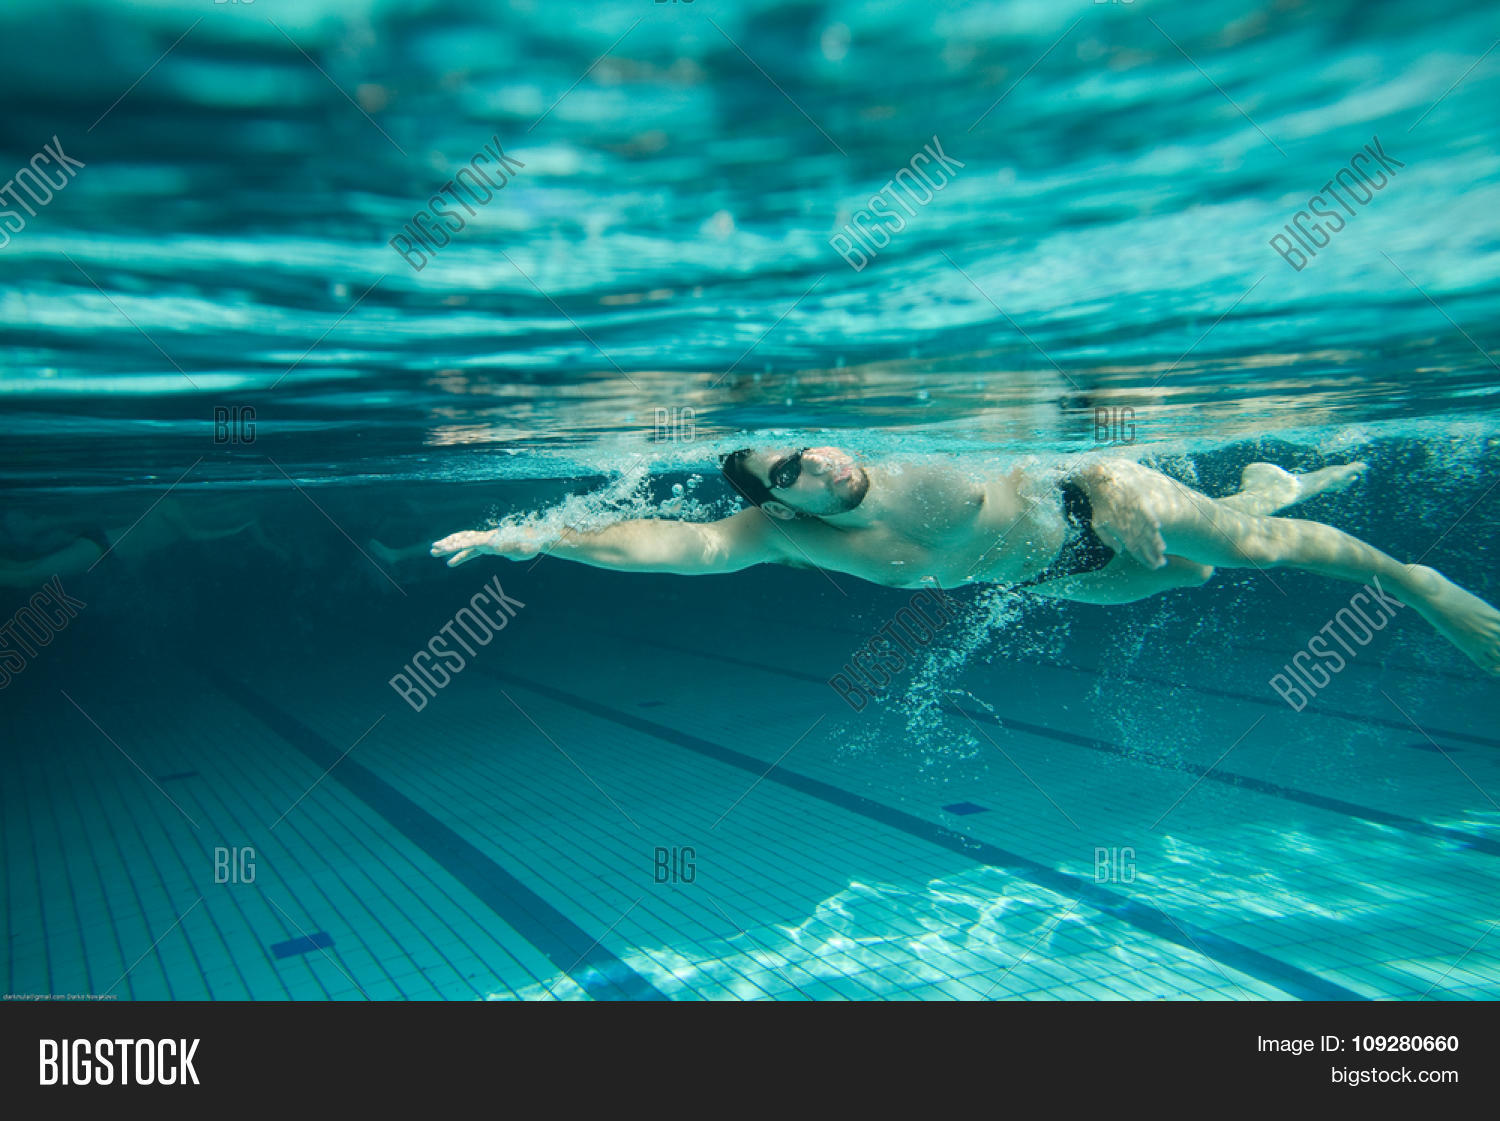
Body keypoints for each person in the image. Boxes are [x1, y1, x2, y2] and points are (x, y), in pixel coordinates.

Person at [430, 447, 1500, 675]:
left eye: (818, 444)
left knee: (1260, 551)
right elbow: (680, 546)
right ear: (774, 496)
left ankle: (1420, 583)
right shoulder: (782, 533)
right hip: (1057, 573)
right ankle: (1274, 482)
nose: (825, 466)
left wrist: (1118, 473)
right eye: (792, 469)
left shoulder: (901, 463)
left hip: (1086, 504)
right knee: (1199, 572)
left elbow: (1046, 451)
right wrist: (538, 536)